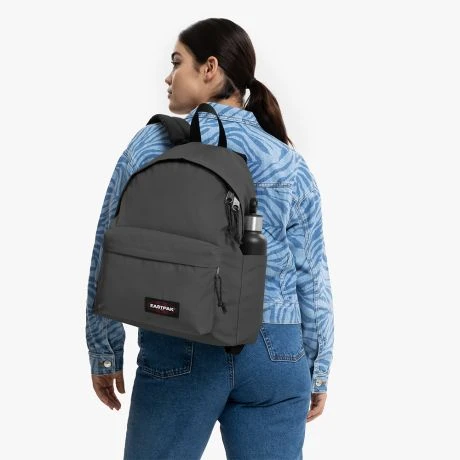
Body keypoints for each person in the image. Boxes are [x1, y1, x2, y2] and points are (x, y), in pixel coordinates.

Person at [86, 17, 334, 460]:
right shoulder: (287, 161)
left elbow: (109, 246)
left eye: (177, 62)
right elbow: (311, 276)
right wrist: (316, 368)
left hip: (181, 334)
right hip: (276, 350)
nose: (168, 76)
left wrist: (105, 349)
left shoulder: (153, 145)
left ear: (210, 68)